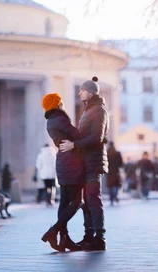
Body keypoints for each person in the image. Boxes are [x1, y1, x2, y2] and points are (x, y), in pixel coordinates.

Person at [60, 76, 109, 251]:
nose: (79, 92)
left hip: (93, 163)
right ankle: (89, 237)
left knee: (93, 200)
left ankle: (99, 238)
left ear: (91, 92)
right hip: (85, 163)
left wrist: (74, 145)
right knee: (87, 202)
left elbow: (97, 138)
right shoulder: (89, 109)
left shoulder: (98, 111)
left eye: (82, 90)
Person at [40, 93, 84, 252]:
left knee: (64, 202)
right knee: (77, 201)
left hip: (62, 162)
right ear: (58, 104)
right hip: (71, 163)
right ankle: (53, 232)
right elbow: (79, 136)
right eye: (61, 101)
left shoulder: (51, 121)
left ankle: (65, 239)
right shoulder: (61, 119)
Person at [106, 141, 123, 205]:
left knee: (110, 186)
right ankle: (115, 195)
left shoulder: (107, 153)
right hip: (116, 172)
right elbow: (121, 164)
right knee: (116, 185)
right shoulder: (117, 153)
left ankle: (111, 199)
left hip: (109, 172)